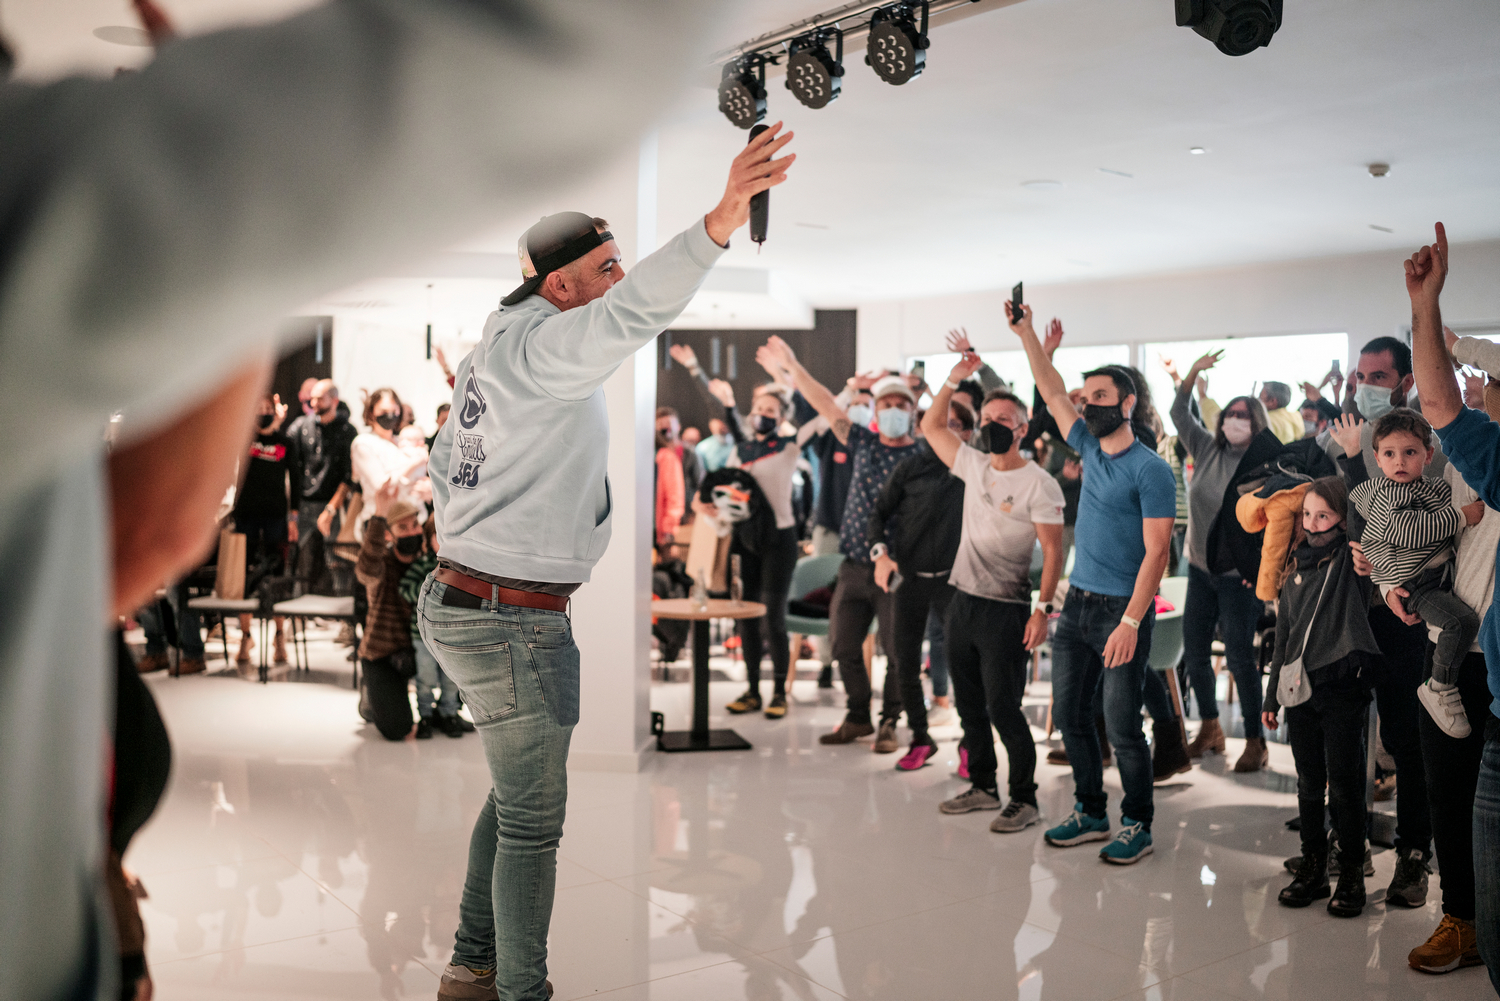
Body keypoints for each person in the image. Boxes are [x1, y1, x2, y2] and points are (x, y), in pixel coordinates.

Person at [419, 126, 794, 1001]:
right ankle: (520, 990)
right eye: (607, 264)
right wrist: (718, 221)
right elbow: (633, 315)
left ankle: (472, 967)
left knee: (512, 803)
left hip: (468, 596)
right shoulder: (549, 347)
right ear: (561, 284)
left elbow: (442, 461)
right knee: (534, 824)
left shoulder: (491, 352)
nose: (617, 278)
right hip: (510, 616)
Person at [1009, 301, 1175, 865]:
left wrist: (1132, 620)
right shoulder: (1084, 445)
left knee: (1124, 726)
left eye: (1100, 396)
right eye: (1087, 398)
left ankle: (1138, 823)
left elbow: (1159, 551)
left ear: (1127, 403)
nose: (1087, 404)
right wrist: (1027, 332)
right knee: (1073, 718)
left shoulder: (1150, 469)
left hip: (1120, 612)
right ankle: (1089, 810)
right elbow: (1050, 388)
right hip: (1076, 606)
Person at [921, 360, 1066, 834]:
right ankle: (983, 786)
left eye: (1002, 420)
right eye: (985, 419)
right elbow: (931, 425)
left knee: (1003, 707)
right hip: (961, 602)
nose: (989, 426)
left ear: (1023, 429)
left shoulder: (1039, 483)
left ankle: (1025, 798)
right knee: (969, 706)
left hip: (1006, 610)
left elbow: (1052, 550)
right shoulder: (973, 464)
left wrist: (1042, 611)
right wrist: (951, 379)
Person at [764, 337, 922, 753]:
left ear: (912, 413)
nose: (890, 411)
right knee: (843, 644)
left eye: (899, 405)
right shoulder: (864, 443)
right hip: (852, 564)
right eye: (884, 404)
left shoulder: (922, 456)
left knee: (896, 651)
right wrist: (794, 366)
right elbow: (825, 405)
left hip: (897, 568)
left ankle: (890, 721)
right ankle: (858, 716)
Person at [1262, 477, 1382, 918]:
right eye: (1308, 515)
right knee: (1309, 782)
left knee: (1345, 783)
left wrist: (1351, 459)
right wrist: (1271, 697)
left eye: (1324, 516)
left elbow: (1365, 517)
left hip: (1342, 687)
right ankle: (1313, 866)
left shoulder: (1352, 565)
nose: (1313, 524)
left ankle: (1350, 871)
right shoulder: (1294, 570)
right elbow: (1284, 640)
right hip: (1299, 690)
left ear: (1341, 520)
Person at [673, 343, 803, 718]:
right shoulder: (741, 451)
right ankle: (751, 690)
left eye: (770, 411)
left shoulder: (789, 447)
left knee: (773, 618)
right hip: (745, 542)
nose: (762, 414)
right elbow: (723, 492)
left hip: (780, 541)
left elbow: (807, 413)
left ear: (781, 416)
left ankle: (779, 691)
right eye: (759, 409)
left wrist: (783, 373)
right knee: (745, 615)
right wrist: (704, 505)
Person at [1170, 351, 1278, 771]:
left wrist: (1263, 574)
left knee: (1238, 657)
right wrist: (1192, 374)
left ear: (1256, 421)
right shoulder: (1205, 447)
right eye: (1229, 413)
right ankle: (1211, 728)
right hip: (1199, 569)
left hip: (1240, 580)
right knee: (1194, 652)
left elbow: (1276, 524)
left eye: (1243, 414)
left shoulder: (1266, 463)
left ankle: (1255, 740)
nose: (1233, 419)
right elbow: (1179, 412)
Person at [1343, 409, 1478, 738]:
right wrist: (1461, 516)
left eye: (1410, 452)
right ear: (1378, 457)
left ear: (1428, 454)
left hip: (1438, 576)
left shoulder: (1434, 487)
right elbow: (1411, 531)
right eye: (1389, 454)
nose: (1399, 461)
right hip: (1417, 585)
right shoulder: (1389, 494)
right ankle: (1439, 686)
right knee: (1460, 622)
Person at [868, 396, 973, 767]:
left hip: (954, 583)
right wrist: (880, 553)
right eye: (935, 425)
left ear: (969, 433)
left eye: (953, 425)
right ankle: (920, 737)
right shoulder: (909, 467)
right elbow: (878, 513)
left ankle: (970, 743)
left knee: (963, 663)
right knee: (903, 661)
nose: (942, 432)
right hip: (909, 579)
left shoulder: (973, 469)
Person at [231, 391, 302, 665]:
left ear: (275, 411)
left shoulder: (286, 443)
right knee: (244, 578)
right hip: (245, 515)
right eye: (257, 408)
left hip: (275, 517)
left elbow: (295, 482)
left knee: (276, 576)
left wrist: (293, 519)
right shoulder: (244, 439)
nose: (262, 413)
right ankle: (246, 636)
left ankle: (280, 636)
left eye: (267, 408)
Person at [356, 482, 426, 741]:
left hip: (418, 651)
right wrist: (379, 514)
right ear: (389, 534)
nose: (411, 532)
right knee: (397, 729)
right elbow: (365, 569)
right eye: (402, 528)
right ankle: (371, 692)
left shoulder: (427, 564)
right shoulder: (382, 564)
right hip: (382, 654)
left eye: (415, 526)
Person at [398, 515, 468, 739]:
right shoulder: (422, 565)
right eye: (438, 535)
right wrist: (430, 584)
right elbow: (405, 590)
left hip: (453, 637)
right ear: (428, 540)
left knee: (452, 679)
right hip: (422, 635)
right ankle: (426, 715)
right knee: (425, 677)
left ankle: (448, 713)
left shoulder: (463, 569)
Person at [347, 387, 426, 542]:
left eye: (394, 411)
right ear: (371, 412)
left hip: (413, 520)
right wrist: (413, 464)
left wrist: (428, 487)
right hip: (382, 523)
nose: (390, 416)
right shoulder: (364, 443)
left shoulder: (402, 442)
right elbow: (382, 486)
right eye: (384, 411)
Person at [288, 378, 359, 552]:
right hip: (304, 505)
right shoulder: (300, 426)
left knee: (335, 562)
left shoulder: (347, 430)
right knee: (300, 563)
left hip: (333, 505)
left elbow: (348, 474)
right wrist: (292, 516)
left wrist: (331, 509)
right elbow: (293, 472)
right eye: (312, 398)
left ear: (334, 400)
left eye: (319, 399)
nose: (313, 403)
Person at [654, 406, 687, 546]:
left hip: (679, 520)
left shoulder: (686, 454)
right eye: (661, 425)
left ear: (678, 426)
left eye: (669, 423)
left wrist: (670, 524)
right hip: (661, 520)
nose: (665, 428)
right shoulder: (658, 454)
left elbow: (676, 493)